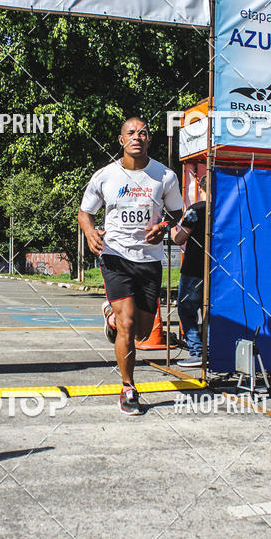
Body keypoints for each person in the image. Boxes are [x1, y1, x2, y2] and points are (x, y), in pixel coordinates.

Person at [78, 116, 183, 415]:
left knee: (141, 331)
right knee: (127, 325)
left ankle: (111, 317)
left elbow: (177, 214)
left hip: (149, 259)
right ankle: (128, 387)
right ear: (121, 140)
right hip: (115, 255)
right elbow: (85, 212)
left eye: (143, 133)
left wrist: (163, 226)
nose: (137, 136)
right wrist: (89, 232)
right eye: (131, 133)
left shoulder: (165, 177)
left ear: (150, 140)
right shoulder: (105, 177)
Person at [171, 174, 208, 367]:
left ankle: (197, 351)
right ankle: (212, 349)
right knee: (211, 312)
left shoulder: (195, 210)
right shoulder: (225, 209)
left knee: (187, 310)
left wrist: (170, 229)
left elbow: (180, 239)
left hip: (194, 268)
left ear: (200, 189)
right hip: (217, 270)